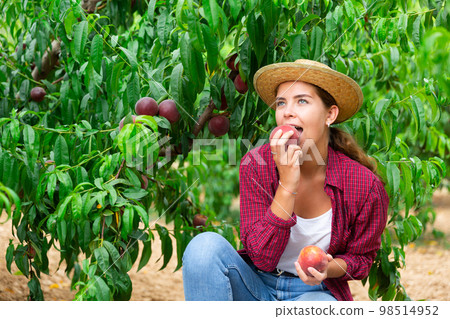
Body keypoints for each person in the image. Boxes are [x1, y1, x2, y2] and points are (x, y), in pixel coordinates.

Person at [182, 59, 389, 301]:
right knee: (203, 247)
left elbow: (361, 259)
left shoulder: (363, 185)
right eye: (281, 102)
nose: (287, 111)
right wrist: (288, 184)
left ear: (330, 114)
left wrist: (326, 268)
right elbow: (261, 257)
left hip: (315, 294)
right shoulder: (256, 166)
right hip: (254, 286)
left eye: (302, 101)